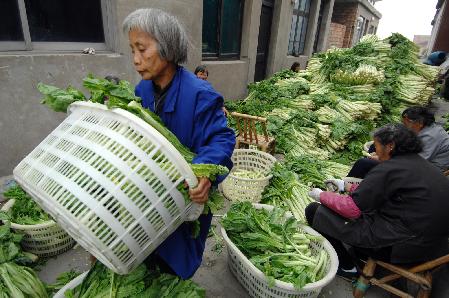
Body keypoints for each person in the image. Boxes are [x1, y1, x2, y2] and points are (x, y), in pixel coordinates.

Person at [122, 8, 235, 279]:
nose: (136, 60)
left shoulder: (200, 94)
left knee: (174, 265)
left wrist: (204, 172)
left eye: (142, 49)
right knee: (146, 256)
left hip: (185, 199)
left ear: (168, 48)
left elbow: (222, 137)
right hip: (150, 195)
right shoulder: (141, 91)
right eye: (132, 50)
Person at [307, 123, 449, 279]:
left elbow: (351, 209)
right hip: (435, 245)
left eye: (376, 145)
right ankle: (361, 251)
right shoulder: (419, 163)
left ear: (390, 146)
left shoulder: (389, 168)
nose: (374, 150)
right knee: (369, 209)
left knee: (314, 211)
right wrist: (346, 186)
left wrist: (321, 195)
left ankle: (347, 267)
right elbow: (379, 192)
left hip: (403, 248)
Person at [347, 106, 449, 178]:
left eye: (406, 123)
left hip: (426, 171)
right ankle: (366, 176)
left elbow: (415, 162)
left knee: (363, 163)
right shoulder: (429, 128)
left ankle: (347, 186)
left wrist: (384, 159)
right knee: (376, 146)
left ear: (419, 123)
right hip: (416, 163)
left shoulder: (430, 136)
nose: (404, 126)